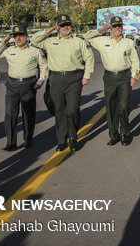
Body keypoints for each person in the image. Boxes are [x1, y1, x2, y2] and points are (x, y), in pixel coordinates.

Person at [31, 14, 94, 152]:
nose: (66, 27)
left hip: (74, 78)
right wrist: (48, 30)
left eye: (68, 25)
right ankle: (61, 140)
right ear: (58, 27)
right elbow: (34, 40)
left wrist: (86, 75)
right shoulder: (50, 41)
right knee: (59, 110)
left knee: (71, 110)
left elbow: (89, 58)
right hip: (56, 78)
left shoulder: (79, 41)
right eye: (62, 25)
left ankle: (73, 137)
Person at [84, 16, 140, 146]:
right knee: (110, 107)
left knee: (123, 106)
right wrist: (99, 31)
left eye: (119, 25)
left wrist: (134, 75)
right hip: (109, 77)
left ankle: (125, 133)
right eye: (114, 26)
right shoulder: (102, 41)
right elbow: (85, 38)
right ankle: (113, 135)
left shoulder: (129, 42)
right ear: (110, 27)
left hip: (125, 76)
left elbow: (135, 60)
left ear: (122, 26)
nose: (117, 28)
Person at [0, 24, 48, 151]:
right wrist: (2, 43)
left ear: (26, 36)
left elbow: (44, 66)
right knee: (10, 115)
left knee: (28, 114)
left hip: (29, 84)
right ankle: (10, 143)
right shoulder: (9, 50)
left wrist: (40, 81)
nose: (18, 38)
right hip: (12, 85)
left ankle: (28, 140)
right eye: (15, 36)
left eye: (21, 35)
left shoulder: (35, 50)